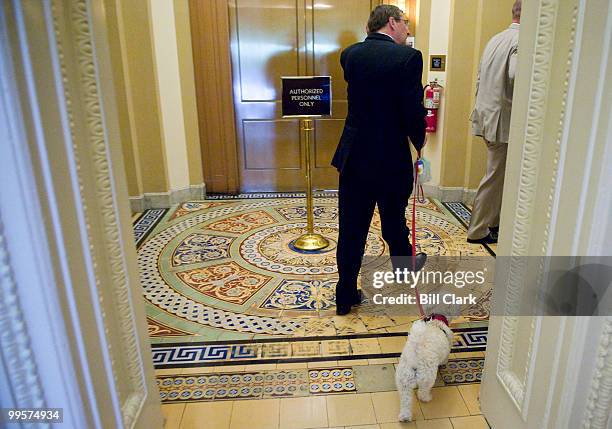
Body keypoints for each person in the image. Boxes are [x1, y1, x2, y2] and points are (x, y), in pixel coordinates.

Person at [332, 5, 427, 316]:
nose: (408, 31)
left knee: (351, 227)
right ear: (391, 22)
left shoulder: (349, 55)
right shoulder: (409, 58)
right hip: (389, 156)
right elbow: (412, 110)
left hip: (355, 155)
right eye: (405, 24)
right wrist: (420, 143)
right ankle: (405, 269)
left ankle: (345, 294)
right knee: (393, 221)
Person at [467, 0, 521, 244]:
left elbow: (480, 78)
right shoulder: (521, 41)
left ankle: (495, 223)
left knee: (498, 175)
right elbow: (515, 77)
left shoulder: (495, 39)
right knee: (494, 176)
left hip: (488, 116)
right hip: (503, 121)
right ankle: (477, 230)